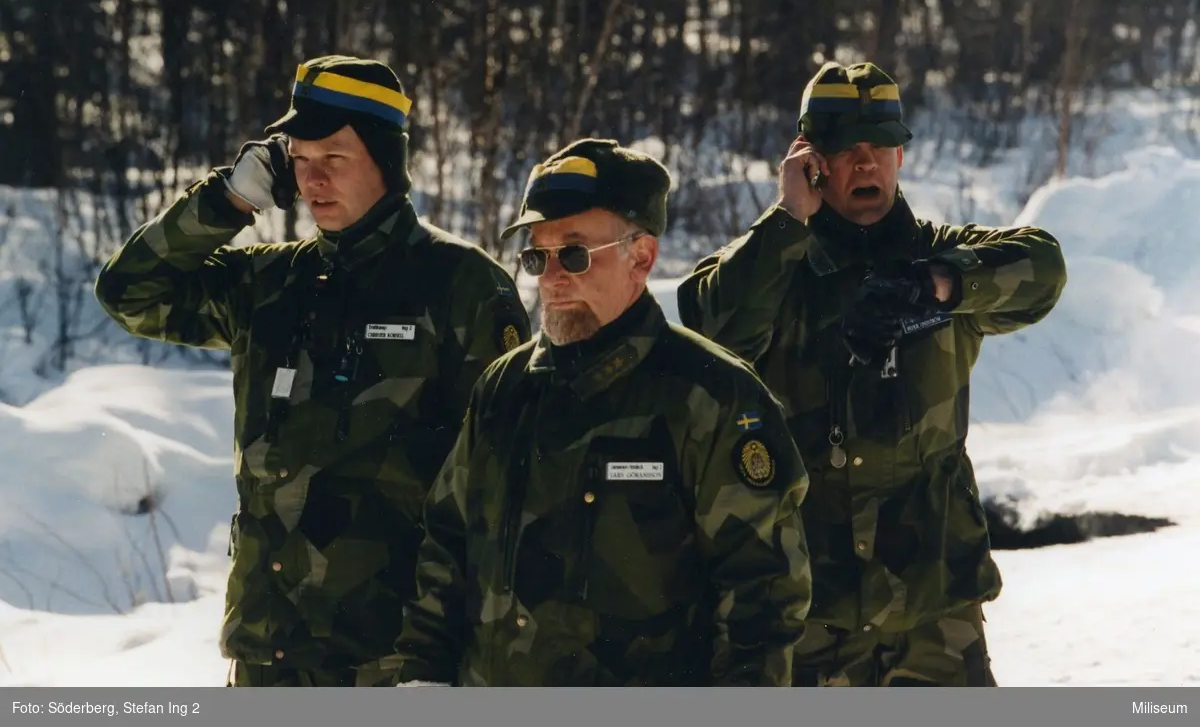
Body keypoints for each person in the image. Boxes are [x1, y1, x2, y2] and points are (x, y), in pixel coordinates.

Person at [94, 54, 531, 687]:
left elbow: (504, 488)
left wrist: (462, 660)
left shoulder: (460, 286)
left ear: (386, 160)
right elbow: (129, 291)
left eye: (334, 159)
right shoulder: (271, 283)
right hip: (267, 654)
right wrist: (226, 201)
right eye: (299, 160)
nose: (313, 180)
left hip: (395, 663)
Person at [676, 61, 1068, 686]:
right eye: (844, 148)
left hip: (935, 616)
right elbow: (711, 329)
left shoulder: (942, 256)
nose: (865, 163)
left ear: (900, 155)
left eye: (879, 145)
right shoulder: (776, 269)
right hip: (811, 621)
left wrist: (933, 284)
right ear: (810, 160)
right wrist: (786, 219)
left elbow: (1043, 268)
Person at [382, 138, 813, 686]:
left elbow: (763, 602)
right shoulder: (505, 388)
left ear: (642, 256)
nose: (553, 279)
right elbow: (448, 545)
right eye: (537, 255)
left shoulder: (712, 397)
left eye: (576, 253)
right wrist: (423, 677)